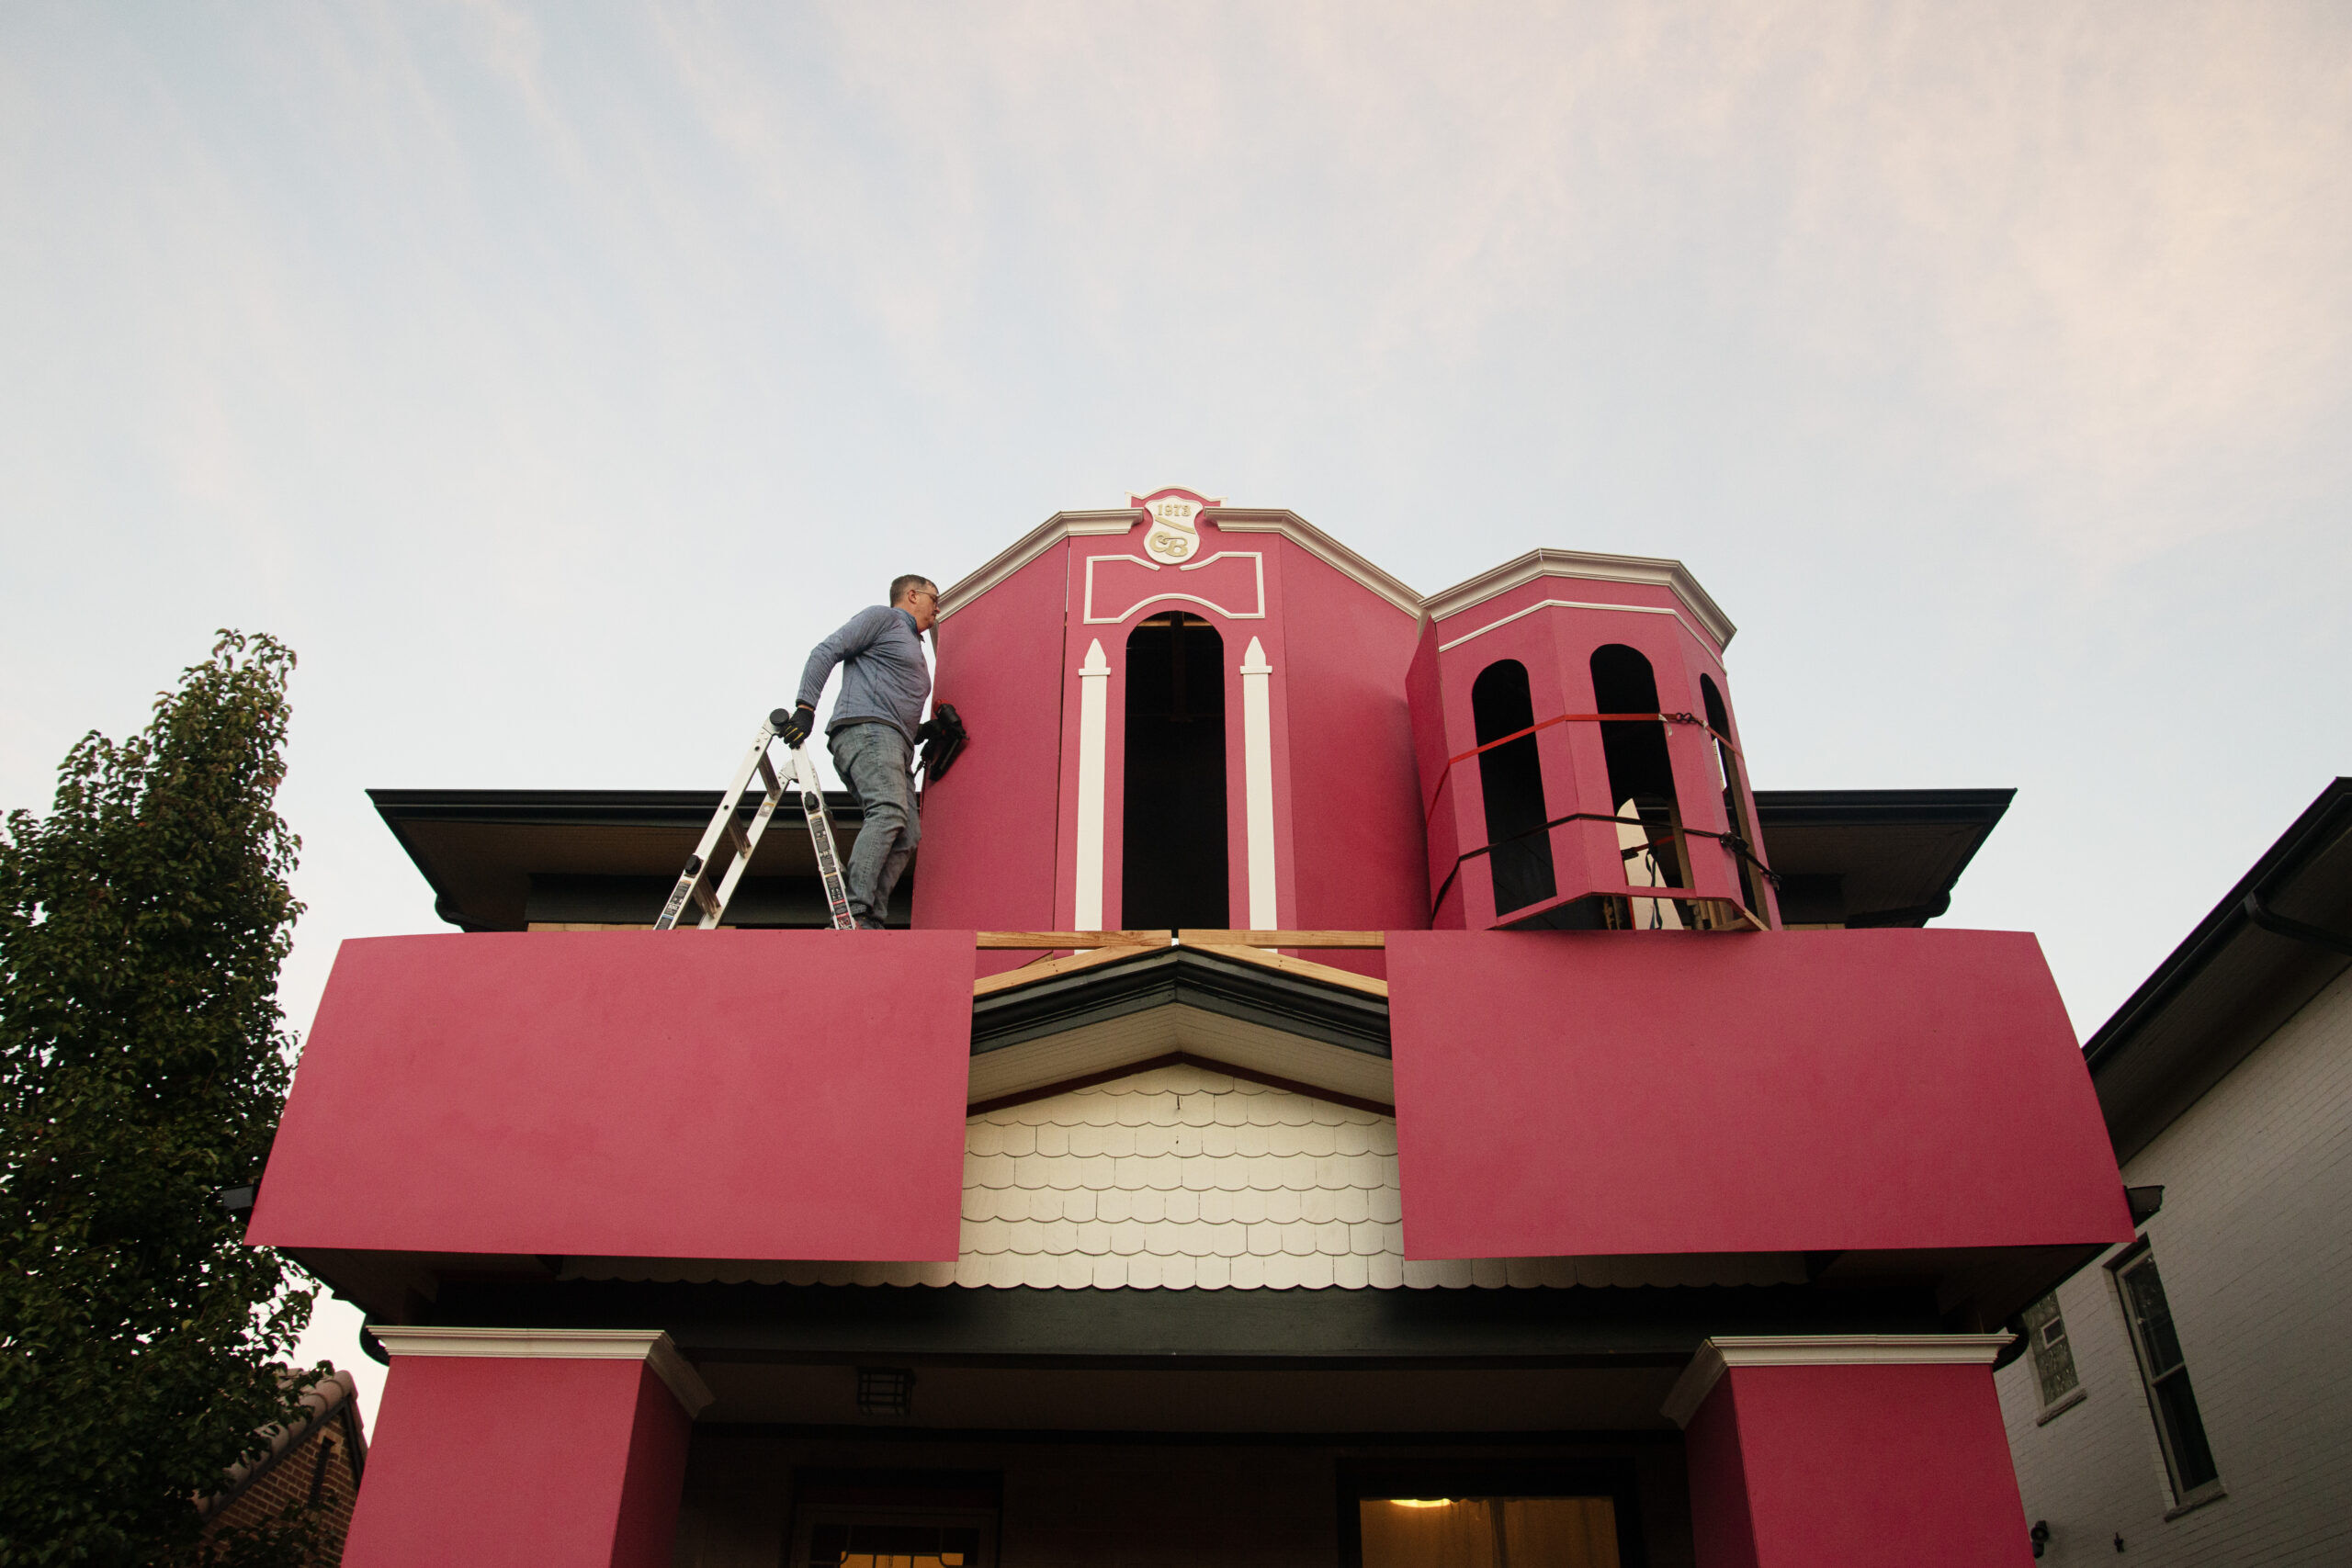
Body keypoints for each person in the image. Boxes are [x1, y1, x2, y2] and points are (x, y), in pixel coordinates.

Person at [777, 575, 939, 930]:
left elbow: (895, 703)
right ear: (912, 595)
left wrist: (926, 732)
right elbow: (826, 650)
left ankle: (868, 921)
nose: (937, 608)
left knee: (908, 832)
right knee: (888, 810)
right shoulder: (883, 618)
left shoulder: (911, 644)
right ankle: (853, 912)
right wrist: (805, 707)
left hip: (894, 741)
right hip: (867, 730)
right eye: (934, 599)